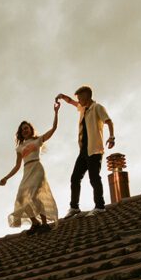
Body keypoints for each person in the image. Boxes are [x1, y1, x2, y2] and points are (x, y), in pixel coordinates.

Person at [0, 101, 60, 232]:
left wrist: (56, 112)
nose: (24, 130)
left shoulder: (37, 140)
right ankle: (35, 222)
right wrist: (6, 178)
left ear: (30, 129)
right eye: (22, 130)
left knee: (34, 196)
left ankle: (44, 223)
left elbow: (53, 129)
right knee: (21, 197)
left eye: (26, 128)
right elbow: (17, 166)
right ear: (20, 133)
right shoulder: (19, 148)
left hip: (37, 168)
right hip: (26, 171)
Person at [56, 85, 115, 215]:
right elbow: (72, 102)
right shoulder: (83, 109)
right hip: (83, 150)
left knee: (94, 178)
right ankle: (74, 207)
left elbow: (109, 121)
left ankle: (100, 206)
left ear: (86, 96)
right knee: (75, 178)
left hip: (94, 149)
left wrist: (111, 137)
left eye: (80, 97)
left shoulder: (97, 107)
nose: (79, 100)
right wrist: (62, 97)